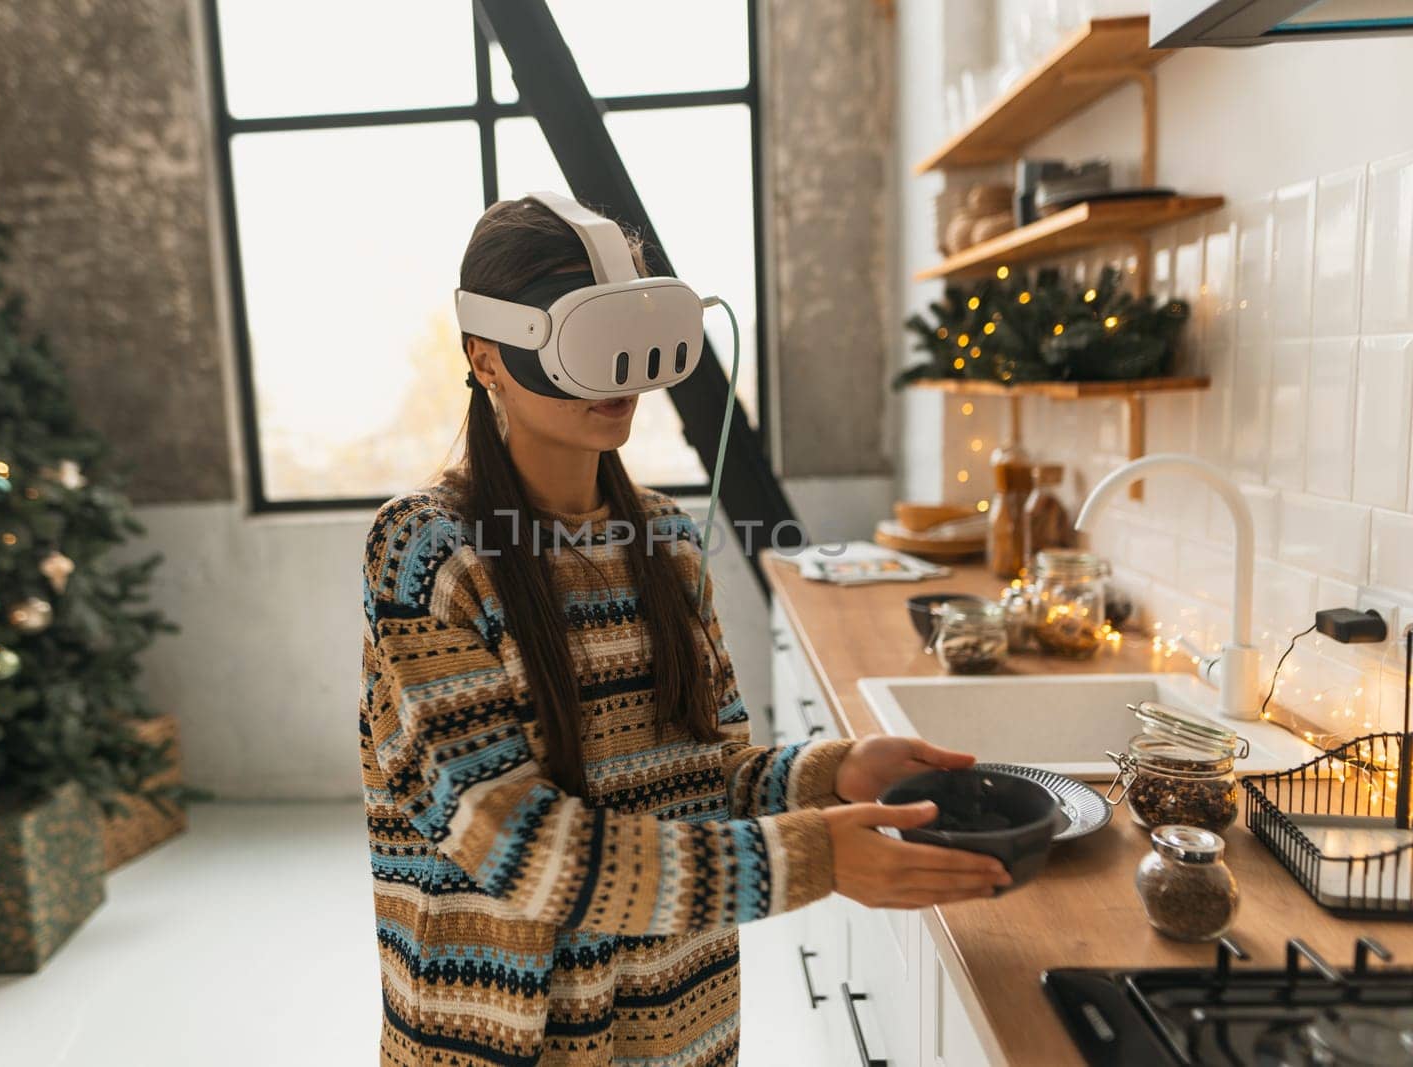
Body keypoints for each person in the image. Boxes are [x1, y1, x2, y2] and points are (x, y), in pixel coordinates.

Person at [359, 194, 1011, 1066]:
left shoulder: (666, 540)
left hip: (681, 1024)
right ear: (487, 357)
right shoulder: (427, 555)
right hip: (506, 1041)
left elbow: (705, 778)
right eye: (582, 340)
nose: (618, 374)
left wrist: (830, 772)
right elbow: (515, 845)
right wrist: (814, 856)